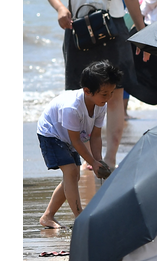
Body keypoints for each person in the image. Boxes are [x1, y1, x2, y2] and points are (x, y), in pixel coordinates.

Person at [45, 0, 147, 169]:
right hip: (78, 33)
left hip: (114, 31)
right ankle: (85, 156)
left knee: (115, 96)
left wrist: (144, 33)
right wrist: (59, 10)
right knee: (80, 95)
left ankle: (109, 158)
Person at [36, 60, 121, 229]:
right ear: (87, 91)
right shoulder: (72, 108)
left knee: (74, 176)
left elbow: (95, 136)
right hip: (51, 132)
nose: (109, 97)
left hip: (68, 136)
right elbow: (76, 140)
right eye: (105, 94)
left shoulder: (100, 104)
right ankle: (80, 218)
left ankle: (47, 216)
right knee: (71, 171)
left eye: (111, 92)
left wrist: (98, 160)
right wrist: (92, 162)